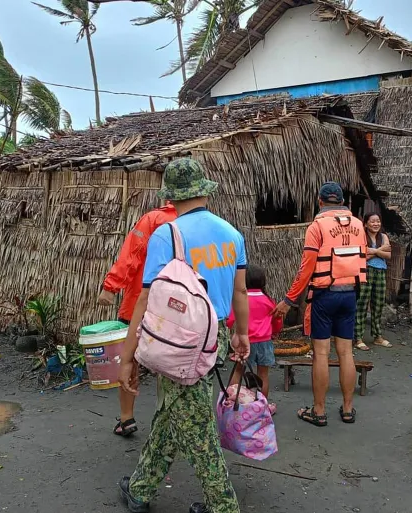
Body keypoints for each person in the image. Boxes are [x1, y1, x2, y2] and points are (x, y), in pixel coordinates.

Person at [117, 157, 251, 513]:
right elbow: (240, 292)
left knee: (198, 429)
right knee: (173, 410)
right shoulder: (231, 233)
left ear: (172, 197)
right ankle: (140, 489)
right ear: (204, 191)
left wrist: (128, 356)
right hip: (217, 336)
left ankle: (223, 506)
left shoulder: (167, 234)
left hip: (180, 343)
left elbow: (146, 297)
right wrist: (241, 334)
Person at [273, 182, 367, 426]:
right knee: (346, 352)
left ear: (320, 201)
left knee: (321, 354)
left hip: (324, 296)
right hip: (350, 295)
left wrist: (289, 300)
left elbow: (307, 268)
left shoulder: (317, 227)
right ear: (343, 201)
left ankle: (319, 410)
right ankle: (348, 409)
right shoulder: (358, 225)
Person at [98, 202, 177, 437]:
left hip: (140, 302)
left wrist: (110, 287)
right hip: (177, 308)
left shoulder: (153, 220)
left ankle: (126, 418)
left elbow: (132, 252)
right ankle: (168, 420)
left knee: (129, 358)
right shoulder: (198, 224)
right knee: (172, 362)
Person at [227, 264, 283, 415]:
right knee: (263, 374)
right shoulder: (268, 300)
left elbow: (230, 320)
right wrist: (275, 332)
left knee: (238, 371)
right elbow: (277, 320)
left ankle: (232, 403)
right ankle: (261, 408)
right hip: (265, 342)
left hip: (245, 343)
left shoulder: (240, 300)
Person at [354, 212, 392, 351]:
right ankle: (358, 338)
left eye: (378, 221)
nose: (376, 224)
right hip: (366, 271)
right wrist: (380, 250)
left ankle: (377, 337)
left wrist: (372, 251)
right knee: (362, 303)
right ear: (365, 224)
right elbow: (361, 256)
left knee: (378, 304)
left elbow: (388, 255)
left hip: (381, 272)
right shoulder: (361, 236)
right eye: (372, 221)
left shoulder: (384, 236)